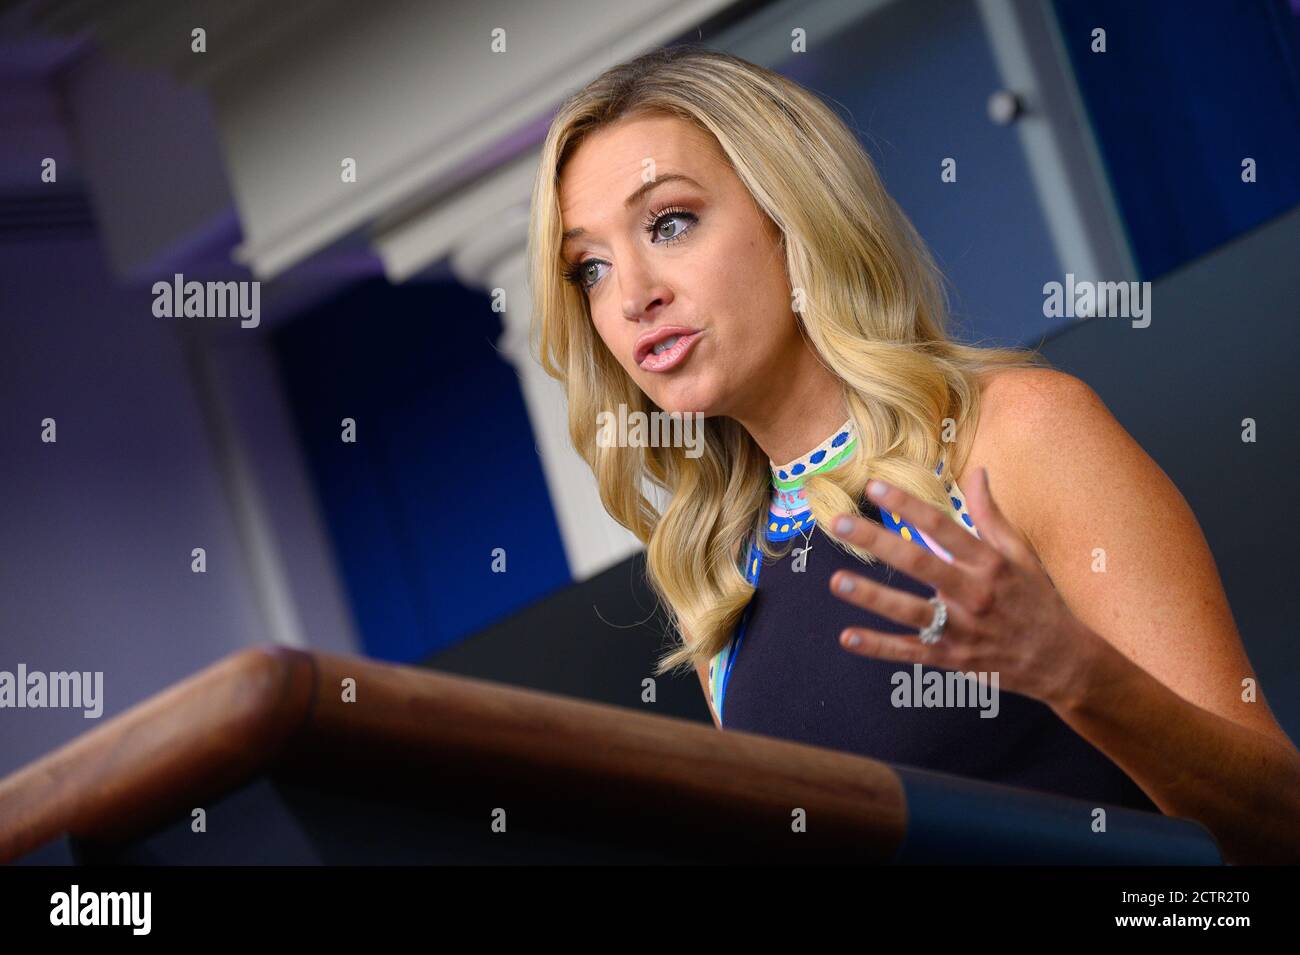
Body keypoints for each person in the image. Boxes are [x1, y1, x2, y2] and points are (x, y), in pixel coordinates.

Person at [526, 45, 1300, 864]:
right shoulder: (719, 578)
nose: (633, 293)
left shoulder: (1015, 433)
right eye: (591, 268)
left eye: (669, 223)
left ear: (792, 217)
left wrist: (1077, 674)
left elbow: (1279, 821)